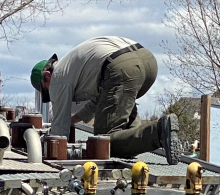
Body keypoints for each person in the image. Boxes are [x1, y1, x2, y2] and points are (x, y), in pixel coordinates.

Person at [30, 37, 183, 164]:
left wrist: (41, 146)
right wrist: (75, 119)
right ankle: (141, 138)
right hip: (146, 60)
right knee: (125, 134)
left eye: (47, 90)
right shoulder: (73, 66)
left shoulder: (57, 77)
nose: (52, 95)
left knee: (103, 143)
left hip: (121, 67)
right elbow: (102, 98)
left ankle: (159, 131)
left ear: (47, 76)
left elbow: (59, 133)